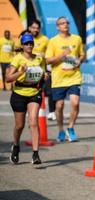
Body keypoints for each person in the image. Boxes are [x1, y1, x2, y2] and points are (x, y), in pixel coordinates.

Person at [6, 34, 46, 165]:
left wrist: (45, 76)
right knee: (19, 126)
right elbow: (8, 78)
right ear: (22, 46)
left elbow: (43, 72)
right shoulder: (17, 59)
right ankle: (16, 146)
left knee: (34, 121)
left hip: (34, 92)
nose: (29, 45)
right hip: (19, 94)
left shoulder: (39, 58)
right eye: (26, 43)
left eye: (31, 43)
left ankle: (35, 154)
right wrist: (20, 72)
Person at [45, 16, 85, 142]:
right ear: (57, 27)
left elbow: (82, 54)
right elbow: (48, 60)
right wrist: (62, 55)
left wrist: (80, 60)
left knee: (75, 102)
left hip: (74, 77)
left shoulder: (77, 39)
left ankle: (71, 128)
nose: (65, 25)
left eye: (67, 23)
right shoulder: (53, 41)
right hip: (58, 78)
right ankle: (61, 129)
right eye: (62, 23)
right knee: (60, 105)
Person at [28, 19, 56, 120]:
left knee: (50, 92)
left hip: (43, 72)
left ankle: (52, 112)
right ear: (29, 28)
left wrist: (45, 56)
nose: (35, 30)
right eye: (33, 28)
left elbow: (50, 54)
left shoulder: (45, 39)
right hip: (29, 73)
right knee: (32, 95)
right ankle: (32, 116)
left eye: (37, 28)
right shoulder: (25, 38)